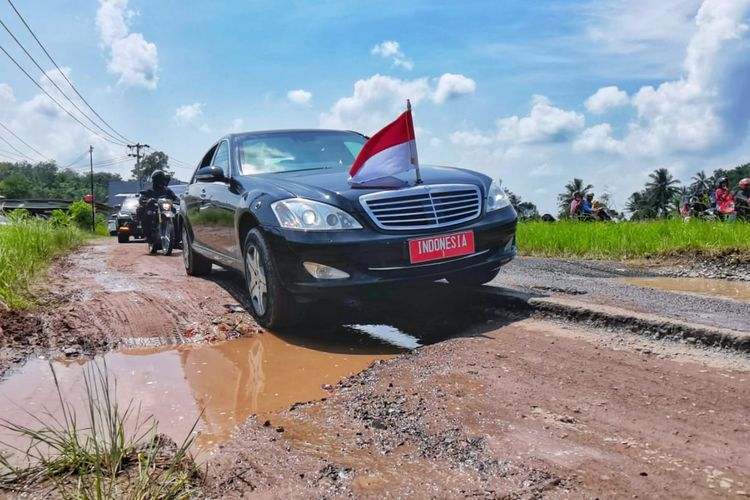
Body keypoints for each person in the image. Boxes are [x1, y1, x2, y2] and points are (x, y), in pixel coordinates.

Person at [138, 170, 178, 245]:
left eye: (161, 178)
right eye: (157, 178)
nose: (159, 180)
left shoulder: (167, 190)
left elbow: (174, 197)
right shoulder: (149, 190)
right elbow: (143, 197)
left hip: (166, 208)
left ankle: (178, 237)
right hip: (154, 209)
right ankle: (148, 236)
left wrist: (178, 200)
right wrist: (146, 200)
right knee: (147, 214)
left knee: (176, 215)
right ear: (154, 180)